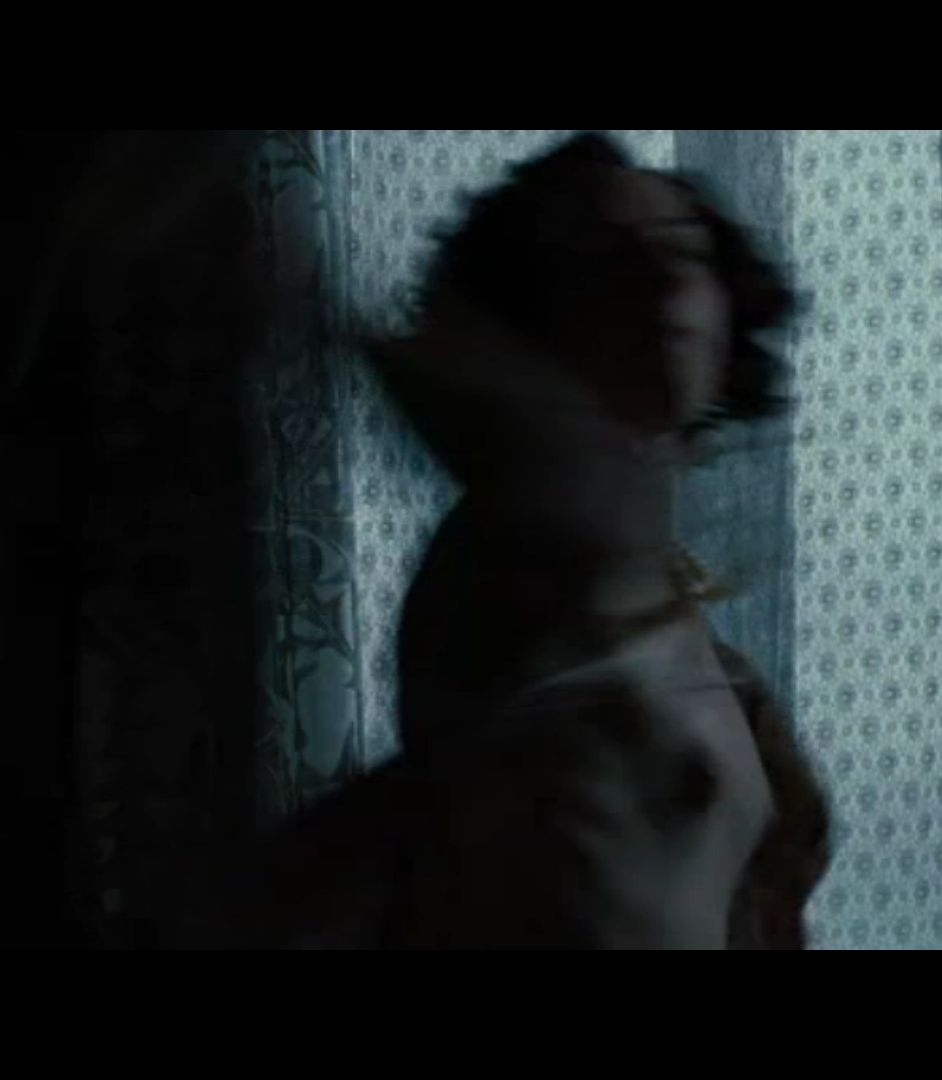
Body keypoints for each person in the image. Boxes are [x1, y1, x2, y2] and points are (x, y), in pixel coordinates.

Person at [179, 132, 830, 949]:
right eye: (607, 259)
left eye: (684, 248)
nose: (661, 275)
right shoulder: (554, 543)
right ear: (535, 318)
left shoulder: (689, 634)